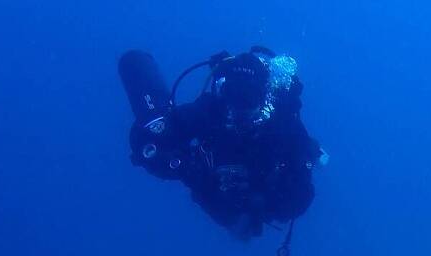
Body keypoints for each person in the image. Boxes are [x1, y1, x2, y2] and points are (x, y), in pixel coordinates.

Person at [118, 47, 325, 245]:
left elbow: (302, 195)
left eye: (249, 98)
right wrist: (184, 167)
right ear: (224, 93)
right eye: (235, 96)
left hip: (265, 200)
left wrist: (262, 202)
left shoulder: (283, 125)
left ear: (264, 97)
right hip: (211, 191)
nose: (241, 108)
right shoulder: (210, 111)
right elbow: (146, 140)